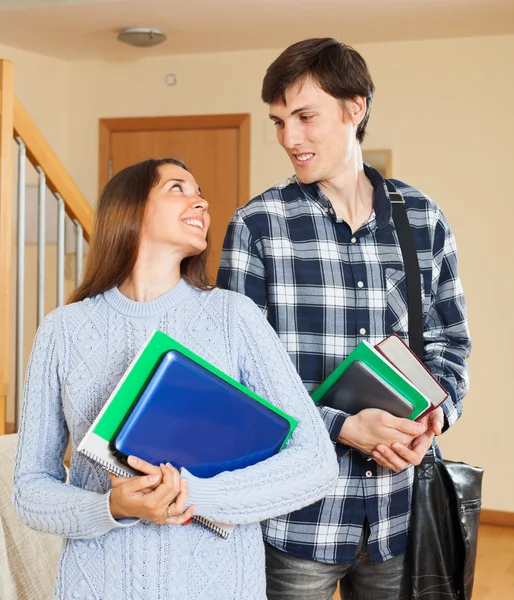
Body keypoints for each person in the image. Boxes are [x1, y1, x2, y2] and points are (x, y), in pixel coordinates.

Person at [13, 157, 339, 600]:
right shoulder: (62, 330)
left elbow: (316, 464)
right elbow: (30, 489)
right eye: (178, 188)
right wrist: (109, 505)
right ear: (130, 209)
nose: (201, 201)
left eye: (200, 191)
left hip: (219, 586)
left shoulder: (232, 316)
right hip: (98, 586)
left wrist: (193, 495)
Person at [218, 38, 471, 599]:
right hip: (296, 518)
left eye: (305, 117)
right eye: (279, 122)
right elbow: (236, 377)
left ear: (355, 108)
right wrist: (341, 426)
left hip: (402, 515)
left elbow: (451, 346)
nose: (289, 138)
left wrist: (432, 420)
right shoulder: (257, 226)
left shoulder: (424, 219)